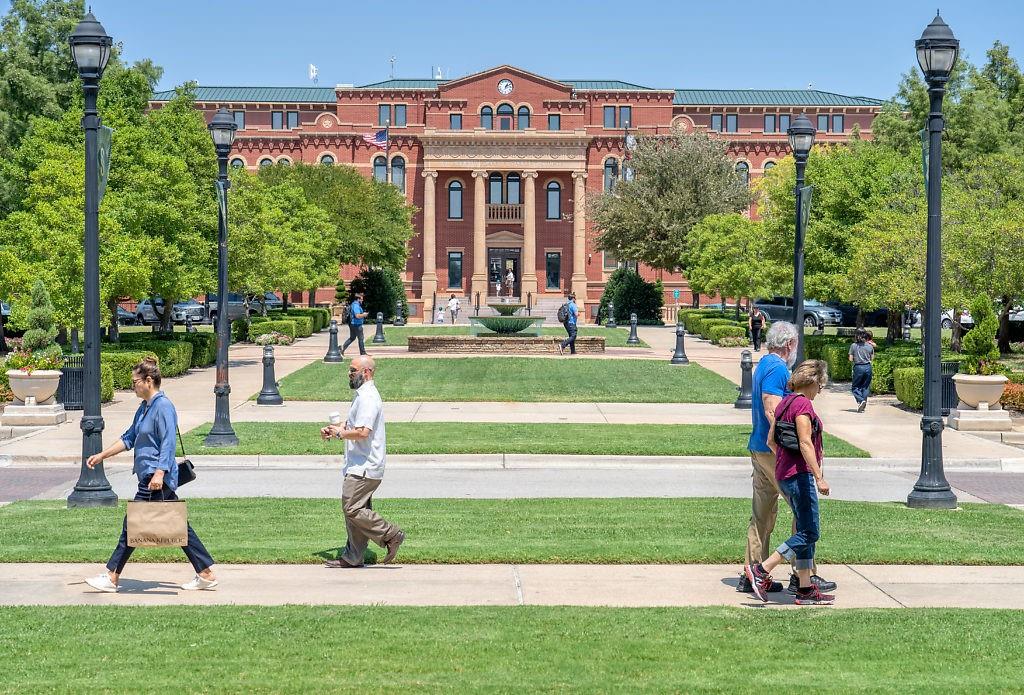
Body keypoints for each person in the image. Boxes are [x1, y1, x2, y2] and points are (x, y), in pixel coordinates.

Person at [84, 358, 217, 593]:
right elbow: (129, 438)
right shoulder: (144, 408)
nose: (133, 386)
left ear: (148, 381)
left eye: (135, 382)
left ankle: (112, 576)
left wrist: (159, 472)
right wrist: (102, 455)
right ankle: (205, 572)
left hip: (156, 478)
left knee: (132, 526)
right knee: (176, 525)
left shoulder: (163, 406)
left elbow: (168, 443)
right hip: (149, 476)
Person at [736, 321, 835, 596]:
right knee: (802, 514)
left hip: (760, 448)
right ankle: (801, 576)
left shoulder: (764, 364)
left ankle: (752, 572)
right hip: (774, 454)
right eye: (796, 344)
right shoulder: (778, 368)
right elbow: (773, 412)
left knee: (763, 514)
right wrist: (787, 454)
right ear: (790, 344)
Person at [322, 355, 405, 568]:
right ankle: (353, 556)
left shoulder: (368, 398)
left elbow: (363, 432)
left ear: (366, 372)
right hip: (360, 464)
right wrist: (336, 429)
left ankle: (391, 534)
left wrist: (341, 434)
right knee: (355, 513)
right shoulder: (362, 396)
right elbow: (353, 425)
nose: (349, 374)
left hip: (364, 466)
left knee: (351, 509)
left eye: (352, 370)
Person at [849, 329, 875, 412]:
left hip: (858, 367)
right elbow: (872, 358)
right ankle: (863, 404)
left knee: (855, 387)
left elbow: (850, 359)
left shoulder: (853, 345)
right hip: (868, 367)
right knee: (865, 387)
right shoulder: (870, 346)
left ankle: (860, 400)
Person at [341, 291, 368, 357]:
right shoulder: (356, 305)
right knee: (361, 338)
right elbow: (357, 315)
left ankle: (342, 348)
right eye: (361, 299)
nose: (362, 300)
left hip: (352, 324)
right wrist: (364, 315)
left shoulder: (353, 304)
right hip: (357, 324)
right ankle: (363, 353)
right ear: (358, 299)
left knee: (352, 338)